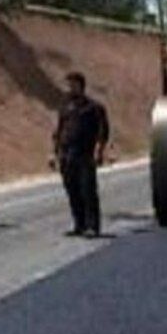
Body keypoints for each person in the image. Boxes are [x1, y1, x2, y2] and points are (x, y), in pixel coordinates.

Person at [51, 71, 110, 238]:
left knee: (88, 191)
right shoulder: (65, 107)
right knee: (72, 191)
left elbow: (103, 132)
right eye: (68, 84)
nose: (69, 88)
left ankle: (93, 226)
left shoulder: (94, 107)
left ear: (80, 85)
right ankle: (79, 224)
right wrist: (54, 153)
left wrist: (99, 152)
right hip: (67, 155)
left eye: (72, 84)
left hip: (85, 155)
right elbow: (59, 131)